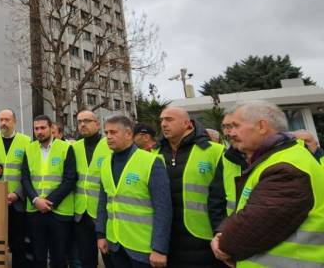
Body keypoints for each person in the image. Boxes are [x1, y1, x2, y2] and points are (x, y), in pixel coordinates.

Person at [212, 100, 324, 267]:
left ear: (261, 126)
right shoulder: (275, 159)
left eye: (235, 125)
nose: (228, 133)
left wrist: (223, 242)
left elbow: (252, 229)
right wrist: (223, 232)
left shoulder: (286, 167)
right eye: (226, 127)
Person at [96, 115, 171, 268]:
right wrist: (101, 234)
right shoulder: (105, 164)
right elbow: (104, 201)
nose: (108, 137)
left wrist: (159, 248)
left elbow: (163, 208)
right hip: (115, 244)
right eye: (106, 133)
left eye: (113, 132)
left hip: (143, 246)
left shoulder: (150, 161)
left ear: (129, 134)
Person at [157, 106, 227, 268]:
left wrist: (222, 232)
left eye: (169, 119)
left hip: (204, 238)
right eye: (161, 120)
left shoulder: (214, 152)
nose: (163, 124)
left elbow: (224, 197)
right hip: (166, 240)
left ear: (187, 124)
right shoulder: (154, 154)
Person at [21, 114, 76, 268]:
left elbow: (70, 179)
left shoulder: (65, 148)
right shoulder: (29, 149)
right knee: (38, 257)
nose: (39, 132)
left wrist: (49, 202)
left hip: (58, 212)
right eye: (36, 128)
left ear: (51, 128)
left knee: (59, 258)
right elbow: (25, 178)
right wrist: (36, 200)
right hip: (35, 210)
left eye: (43, 128)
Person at [0, 109, 31, 268]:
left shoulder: (26, 141)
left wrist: (17, 194)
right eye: (1, 119)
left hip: (17, 202)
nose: (3, 123)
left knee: (18, 245)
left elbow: (29, 173)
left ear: (14, 121)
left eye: (7, 120)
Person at [72, 110, 111, 268]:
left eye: (87, 121)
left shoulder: (108, 144)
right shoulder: (75, 147)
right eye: (80, 121)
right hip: (81, 213)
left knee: (110, 258)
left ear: (97, 124)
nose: (82, 124)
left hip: (104, 213)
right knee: (86, 259)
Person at [220, 112, 247, 215]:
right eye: (224, 127)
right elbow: (218, 199)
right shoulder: (226, 158)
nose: (227, 132)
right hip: (234, 226)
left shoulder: (276, 156)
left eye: (232, 126)